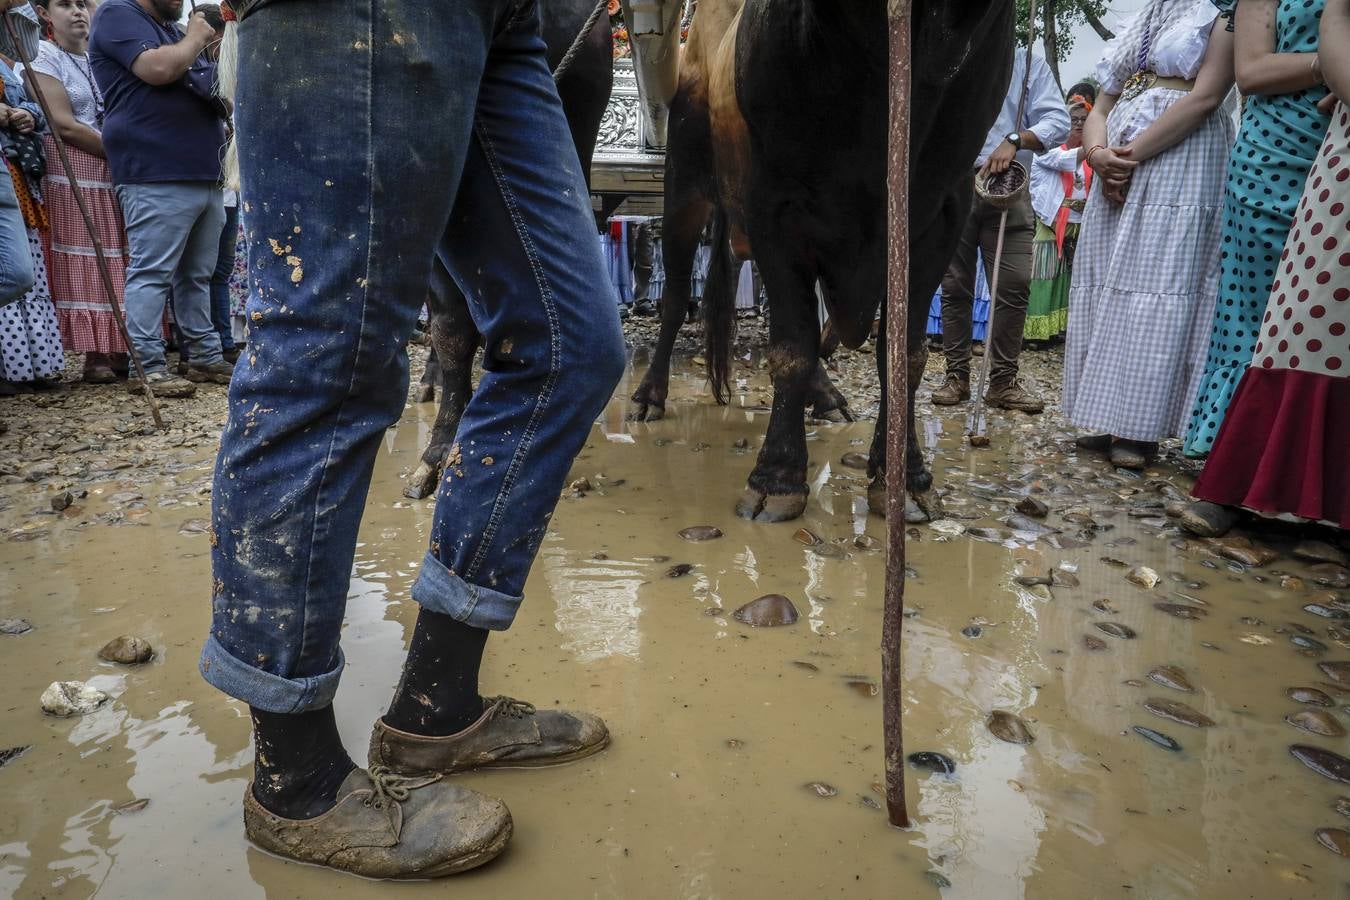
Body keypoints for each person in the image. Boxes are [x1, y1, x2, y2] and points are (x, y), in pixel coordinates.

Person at [201, 0, 626, 880]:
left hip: (506, 19)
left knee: (569, 346)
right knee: (329, 352)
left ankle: (437, 710)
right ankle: (297, 781)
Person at [1183, 0, 1349, 536]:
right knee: (1252, 323)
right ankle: (1230, 475)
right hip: (1272, 161)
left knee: (1327, 329)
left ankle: (1314, 486)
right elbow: (1250, 72)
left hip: (1337, 148)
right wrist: (1329, 63)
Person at [1061, 0, 1238, 469]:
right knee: (1109, 283)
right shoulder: (1144, 16)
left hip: (1179, 157)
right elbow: (1103, 102)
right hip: (1115, 162)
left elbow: (1206, 96)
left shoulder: (1221, 9)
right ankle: (1105, 411)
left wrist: (1129, 155)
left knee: (1160, 282)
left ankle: (1141, 430)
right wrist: (1097, 152)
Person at [89, 0, 231, 398]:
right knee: (152, 272)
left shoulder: (171, 31)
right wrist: (197, 39)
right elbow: (159, 69)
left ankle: (203, 355)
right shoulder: (117, 13)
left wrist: (191, 47)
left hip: (202, 170)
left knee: (197, 274)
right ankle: (147, 366)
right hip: (155, 169)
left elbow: (219, 92)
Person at [931, 49, 1069, 413]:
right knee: (955, 284)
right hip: (955, 182)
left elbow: (1058, 120)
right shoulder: (949, 52)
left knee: (1014, 284)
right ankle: (956, 375)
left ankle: (1003, 382)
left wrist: (1015, 139)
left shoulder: (1025, 63)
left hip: (1009, 187)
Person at [26, 0, 132, 385]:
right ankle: (95, 351)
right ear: (43, 13)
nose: (77, 12)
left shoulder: (101, 56)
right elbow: (64, 124)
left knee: (122, 252)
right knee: (88, 252)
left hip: (114, 168)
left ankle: (123, 345)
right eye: (64, 4)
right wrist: (125, 149)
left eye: (81, 3)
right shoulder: (41, 56)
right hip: (74, 165)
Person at [0, 55, 62, 394]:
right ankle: (8, 369)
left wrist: (28, 114)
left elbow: (32, 106)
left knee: (26, 274)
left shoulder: (5, 65)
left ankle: (32, 366)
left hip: (18, 174)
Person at [1025, 98, 1092, 343]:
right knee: (1045, 276)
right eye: (1073, 120)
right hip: (1051, 223)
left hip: (1079, 223)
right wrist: (1098, 142)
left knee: (1065, 280)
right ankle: (1035, 333)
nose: (1078, 125)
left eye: (1084, 121)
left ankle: (1057, 329)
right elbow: (1064, 160)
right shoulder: (1048, 150)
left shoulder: (1089, 157)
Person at [0, 0, 36, 315]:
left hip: (6, 166)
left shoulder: (3, 65)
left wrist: (27, 113)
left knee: (17, 275)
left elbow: (26, 49)